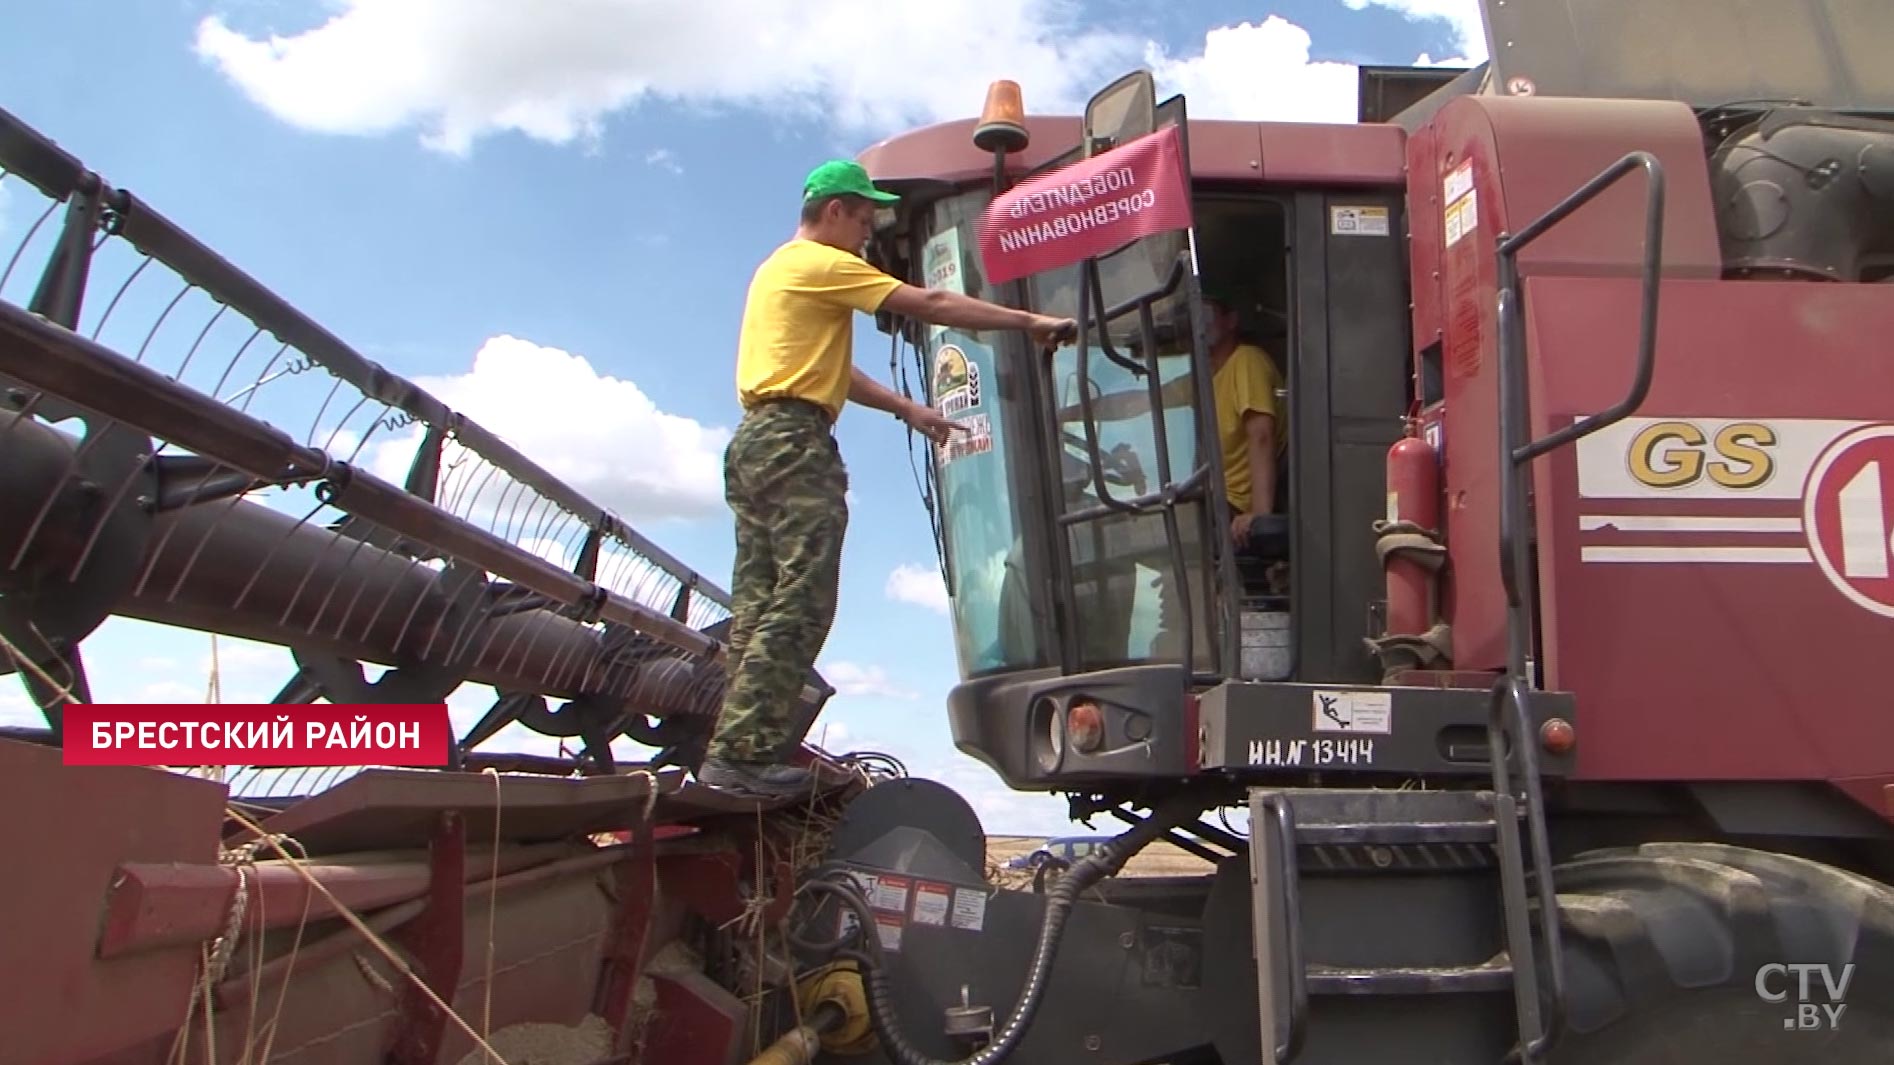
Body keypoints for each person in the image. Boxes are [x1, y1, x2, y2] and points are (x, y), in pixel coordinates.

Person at [697, 158, 1076, 799]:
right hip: (794, 444)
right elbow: (928, 302)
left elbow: (831, 371)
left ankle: (737, 749)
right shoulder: (823, 262)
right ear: (836, 210)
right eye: (865, 218)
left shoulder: (777, 272)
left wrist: (907, 409)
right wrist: (1029, 322)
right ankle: (741, 757)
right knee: (803, 599)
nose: (867, 234)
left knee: (758, 603)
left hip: (756, 442)